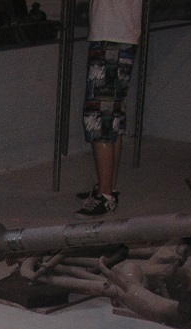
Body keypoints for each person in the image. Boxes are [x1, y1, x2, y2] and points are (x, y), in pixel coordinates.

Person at [76, 0, 143, 217]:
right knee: (112, 116)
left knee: (100, 118)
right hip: (117, 33)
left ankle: (105, 195)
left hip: (112, 34)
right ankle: (108, 189)